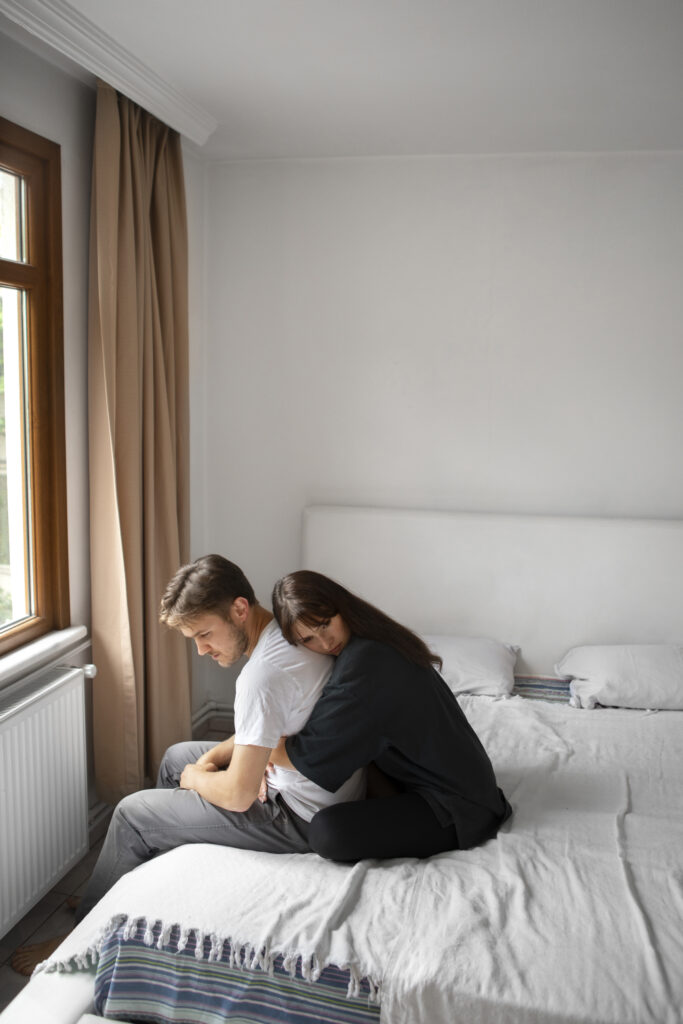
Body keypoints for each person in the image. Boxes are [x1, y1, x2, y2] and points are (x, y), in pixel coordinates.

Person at [11, 555, 364, 976]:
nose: (201, 650)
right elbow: (269, 727)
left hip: (298, 816)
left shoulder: (262, 676)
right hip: (320, 789)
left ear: (239, 609)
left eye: (204, 634)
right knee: (179, 755)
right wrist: (209, 758)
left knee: (133, 813)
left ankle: (83, 936)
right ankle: (129, 889)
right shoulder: (291, 637)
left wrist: (196, 779)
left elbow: (236, 795)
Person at [269, 570, 512, 862]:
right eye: (307, 638)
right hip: (450, 779)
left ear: (341, 607)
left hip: (457, 805)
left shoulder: (365, 664)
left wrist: (257, 752)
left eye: (325, 623)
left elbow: (308, 756)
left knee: (326, 831)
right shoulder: (374, 639)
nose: (323, 642)